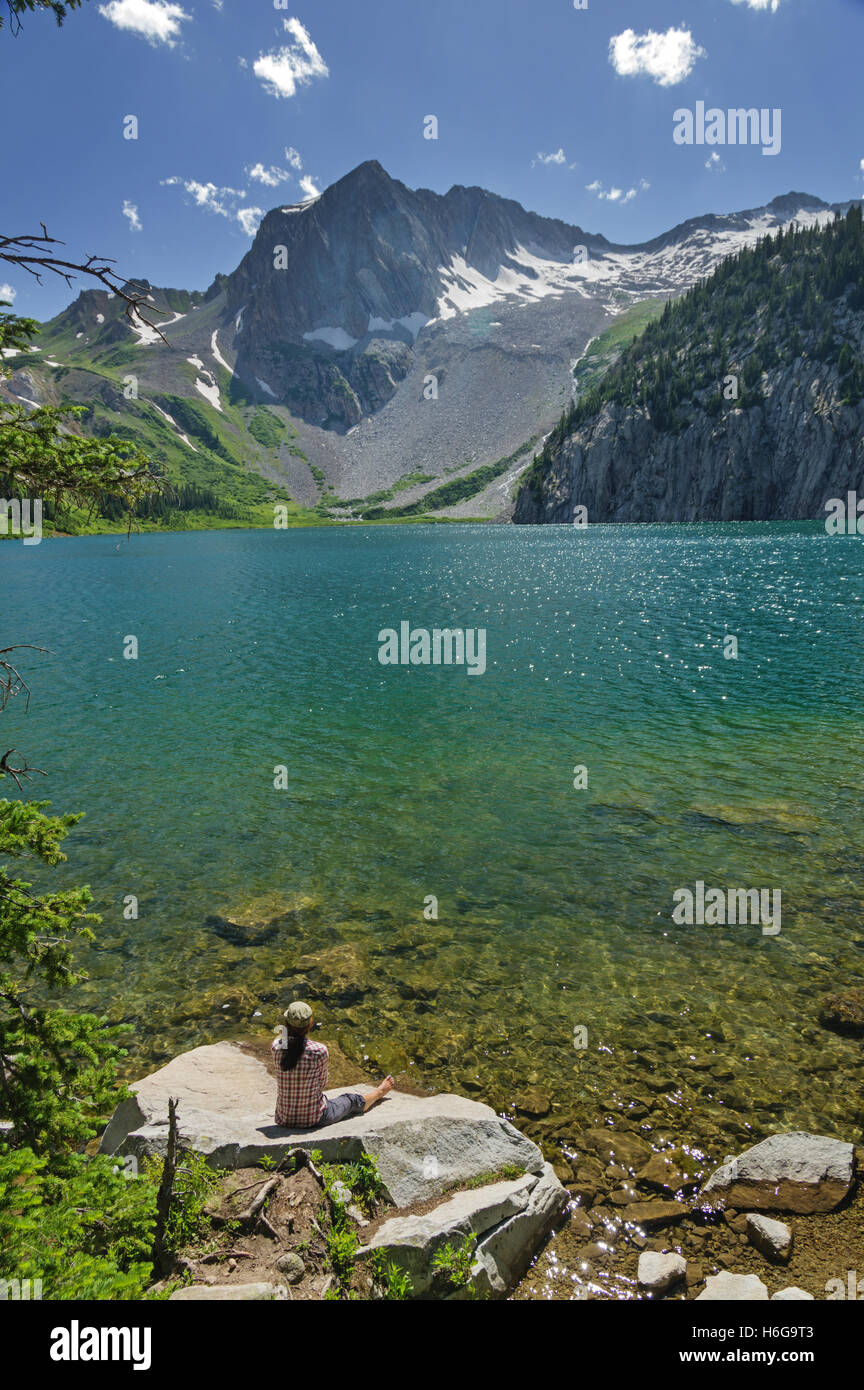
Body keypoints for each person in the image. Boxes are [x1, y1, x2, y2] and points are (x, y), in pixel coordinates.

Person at [271, 1000, 394, 1128]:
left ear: (286, 1024)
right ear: (310, 1024)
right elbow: (322, 1083)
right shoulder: (319, 1050)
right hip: (314, 1118)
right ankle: (379, 1092)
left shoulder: (276, 1047)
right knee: (350, 1100)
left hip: (283, 1118)